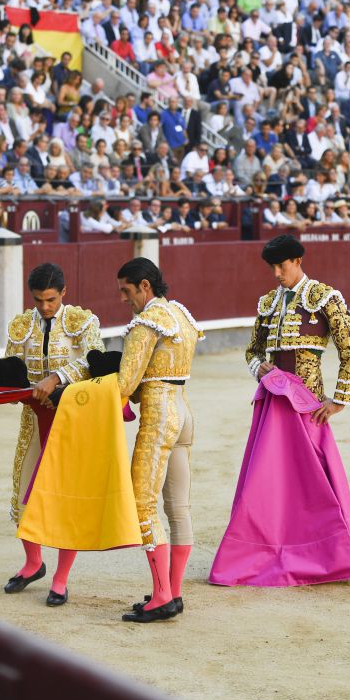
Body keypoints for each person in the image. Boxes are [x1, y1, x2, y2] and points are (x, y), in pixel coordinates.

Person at [210, 234, 350, 588]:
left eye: (282, 266)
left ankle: (328, 555)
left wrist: (339, 400)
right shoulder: (268, 303)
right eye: (273, 268)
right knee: (270, 482)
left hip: (308, 408)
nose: (277, 273)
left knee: (313, 484)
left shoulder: (324, 297)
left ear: (298, 260)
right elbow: (252, 352)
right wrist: (259, 369)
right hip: (274, 407)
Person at [3, 262, 105, 606]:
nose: (44, 306)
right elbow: (12, 363)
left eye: (50, 299)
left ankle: (61, 579)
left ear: (64, 292)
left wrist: (56, 378)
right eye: (38, 300)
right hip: (33, 419)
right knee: (24, 492)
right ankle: (34, 563)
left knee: (65, 497)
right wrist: (10, 383)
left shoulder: (82, 322)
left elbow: (96, 361)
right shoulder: (21, 325)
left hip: (70, 419)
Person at [116, 258, 204, 623]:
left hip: (158, 416)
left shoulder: (146, 323)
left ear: (144, 286)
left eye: (126, 291)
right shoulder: (180, 314)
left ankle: (162, 597)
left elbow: (125, 384)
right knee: (178, 508)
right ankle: (174, 592)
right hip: (183, 411)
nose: (124, 299)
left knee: (143, 506)